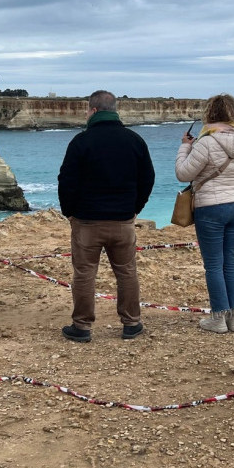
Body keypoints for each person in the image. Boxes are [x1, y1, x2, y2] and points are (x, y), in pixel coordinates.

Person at [57, 90, 156, 343]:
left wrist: (69, 212)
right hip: (123, 220)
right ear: (115, 110)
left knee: (84, 274)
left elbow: (66, 181)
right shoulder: (134, 140)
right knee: (126, 272)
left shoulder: (81, 141)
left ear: (93, 111)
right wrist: (136, 208)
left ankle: (82, 326)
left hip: (87, 221)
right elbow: (148, 179)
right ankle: (131, 323)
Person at [175, 93, 234, 333]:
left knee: (213, 265)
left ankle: (218, 318)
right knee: (230, 261)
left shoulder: (206, 142)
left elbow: (183, 174)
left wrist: (184, 147)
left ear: (210, 114)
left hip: (210, 208)